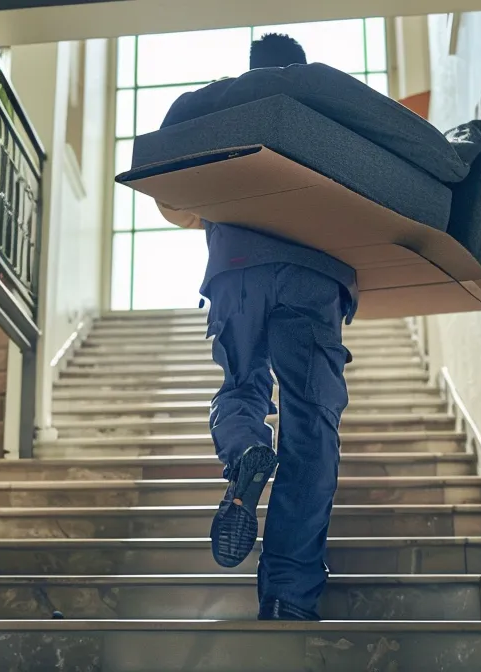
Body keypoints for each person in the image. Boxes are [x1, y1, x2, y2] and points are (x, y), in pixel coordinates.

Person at [157, 33, 359, 622]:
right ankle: (288, 598)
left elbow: (170, 183)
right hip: (311, 273)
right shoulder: (324, 102)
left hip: (235, 271)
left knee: (242, 387)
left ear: (252, 69)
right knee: (310, 429)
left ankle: (246, 451)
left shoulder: (214, 105)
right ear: (296, 68)